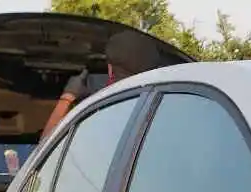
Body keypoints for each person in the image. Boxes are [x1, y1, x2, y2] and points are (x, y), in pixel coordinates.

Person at [40, 29, 169, 141]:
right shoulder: (167, 108)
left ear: (110, 70)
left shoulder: (103, 116)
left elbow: (43, 148)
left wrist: (67, 97)